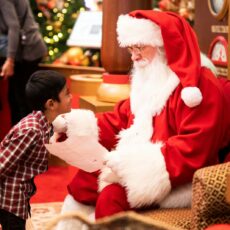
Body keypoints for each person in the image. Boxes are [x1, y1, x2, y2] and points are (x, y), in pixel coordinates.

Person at [58, 10, 230, 226]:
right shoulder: (151, 78)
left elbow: (194, 149)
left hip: (176, 178)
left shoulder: (198, 88)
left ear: (164, 46)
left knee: (111, 197)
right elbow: (120, 119)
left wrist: (130, 166)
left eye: (139, 47)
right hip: (138, 162)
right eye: (131, 48)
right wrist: (72, 125)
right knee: (84, 181)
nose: (134, 56)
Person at [0, 70, 72, 230]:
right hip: (10, 198)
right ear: (51, 104)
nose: (71, 98)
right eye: (67, 94)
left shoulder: (44, 122)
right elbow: (2, 164)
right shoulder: (31, 130)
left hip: (20, 194)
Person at [0, 0, 47, 125]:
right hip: (26, 49)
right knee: (15, 98)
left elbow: (13, 27)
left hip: (27, 52)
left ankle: (25, 137)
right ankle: (20, 136)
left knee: (21, 99)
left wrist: (10, 59)